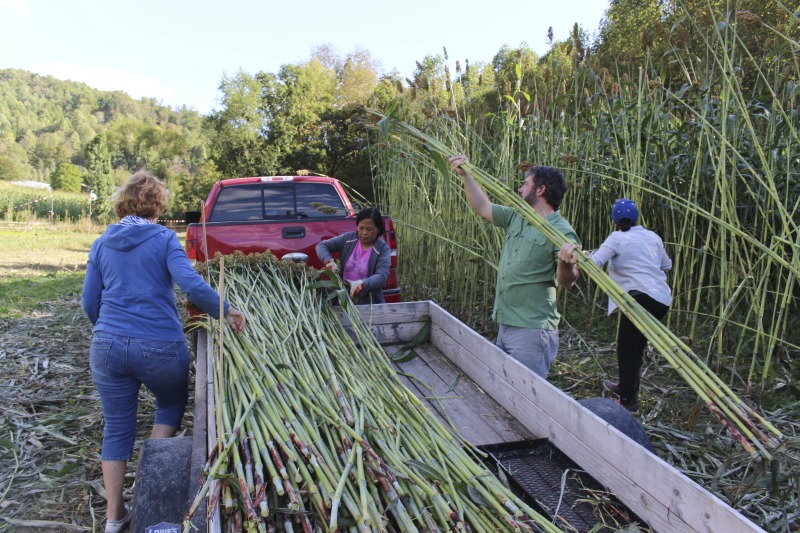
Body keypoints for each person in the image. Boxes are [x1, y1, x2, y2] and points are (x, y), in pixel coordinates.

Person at [81, 171, 246, 533]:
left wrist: (109, 332)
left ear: (123, 201)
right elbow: (190, 284)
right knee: (170, 404)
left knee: (117, 428)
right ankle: (146, 490)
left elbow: (89, 302)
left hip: (107, 345)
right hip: (160, 345)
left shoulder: (101, 243)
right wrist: (227, 309)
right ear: (158, 205)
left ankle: (113, 517)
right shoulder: (164, 239)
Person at [448, 155, 581, 379]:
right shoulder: (517, 217)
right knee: (503, 391)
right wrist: (466, 176)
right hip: (506, 322)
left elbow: (568, 281)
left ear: (540, 190)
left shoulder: (562, 231)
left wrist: (566, 263)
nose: (520, 189)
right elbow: (484, 207)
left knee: (526, 396)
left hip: (532, 328)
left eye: (525, 184)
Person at [587, 198, 672, 412]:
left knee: (627, 349)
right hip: (661, 300)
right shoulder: (653, 237)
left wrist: (584, 256)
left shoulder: (616, 238)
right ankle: (626, 387)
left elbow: (595, 263)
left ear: (615, 219)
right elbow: (667, 265)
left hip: (638, 299)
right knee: (635, 346)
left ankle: (627, 401)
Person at [316, 207, 391, 304]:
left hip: (369, 304)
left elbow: (382, 276)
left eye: (369, 229)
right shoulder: (349, 239)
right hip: (342, 300)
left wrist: (363, 283)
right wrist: (328, 261)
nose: (364, 233)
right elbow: (321, 246)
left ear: (378, 229)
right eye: (361, 228)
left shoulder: (382, 248)